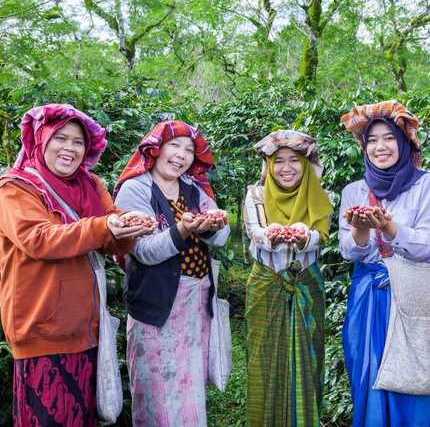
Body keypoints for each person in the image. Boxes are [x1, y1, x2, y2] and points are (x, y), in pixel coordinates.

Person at [0, 104, 157, 426]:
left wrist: (129, 230)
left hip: (87, 330)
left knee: (82, 418)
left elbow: (113, 239)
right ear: (41, 140)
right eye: (60, 138)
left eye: (78, 142)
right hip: (43, 332)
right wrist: (105, 227)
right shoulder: (15, 187)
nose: (70, 148)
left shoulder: (91, 185)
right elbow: (38, 239)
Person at [113, 120, 230, 427]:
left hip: (196, 302)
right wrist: (183, 229)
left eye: (189, 150)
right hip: (156, 305)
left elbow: (221, 236)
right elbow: (143, 250)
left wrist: (214, 226)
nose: (181, 155)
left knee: (190, 388)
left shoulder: (193, 188)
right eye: (174, 146)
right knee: (159, 392)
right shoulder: (135, 189)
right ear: (155, 150)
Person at [339, 99, 430, 427]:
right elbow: (348, 251)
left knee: (416, 382)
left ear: (404, 142)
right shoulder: (354, 191)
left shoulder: (425, 185)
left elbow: (426, 246)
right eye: (373, 140)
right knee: (370, 377)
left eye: (389, 138)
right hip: (368, 300)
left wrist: (389, 227)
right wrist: (361, 229)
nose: (380, 147)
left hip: (412, 297)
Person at [243, 130, 333, 427]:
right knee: (264, 361)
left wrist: (306, 236)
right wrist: (271, 235)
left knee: (308, 361)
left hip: (306, 283)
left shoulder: (320, 195)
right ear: (268, 165)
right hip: (266, 284)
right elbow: (255, 231)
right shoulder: (255, 194)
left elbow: (321, 236)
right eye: (277, 160)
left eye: (294, 160)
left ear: (306, 164)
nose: (286, 167)